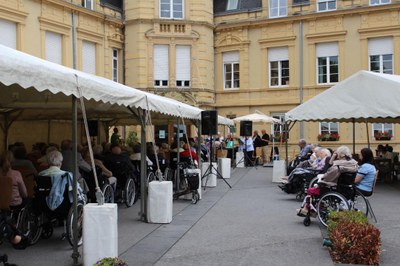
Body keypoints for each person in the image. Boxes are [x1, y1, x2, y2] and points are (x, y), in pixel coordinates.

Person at [297, 146, 358, 216]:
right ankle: (308, 209)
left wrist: (320, 182)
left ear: (340, 154)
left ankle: (307, 209)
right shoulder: (353, 164)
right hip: (348, 188)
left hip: (334, 188)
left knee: (311, 190)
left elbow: (327, 177)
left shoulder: (337, 166)